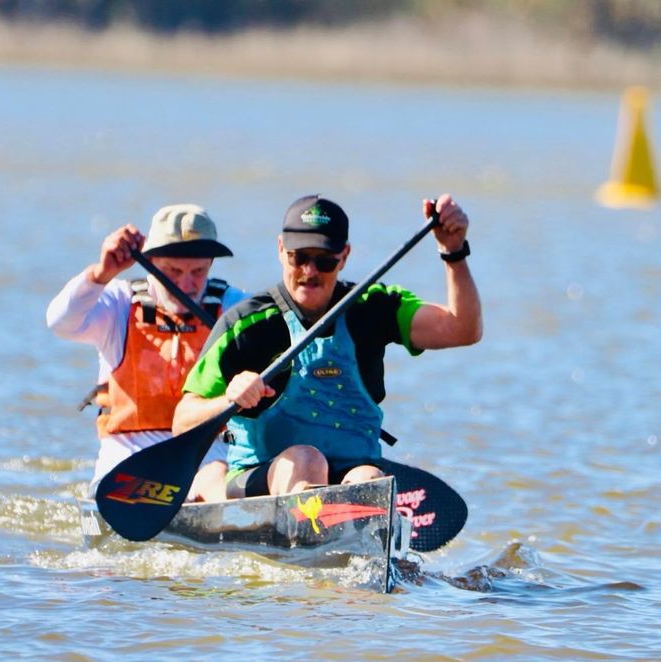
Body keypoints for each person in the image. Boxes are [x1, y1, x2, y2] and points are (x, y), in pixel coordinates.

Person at [174, 193, 481, 499]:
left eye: (324, 261)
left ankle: (341, 527)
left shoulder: (373, 307)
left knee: (369, 478)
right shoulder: (245, 324)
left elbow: (463, 330)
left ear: (344, 256)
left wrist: (453, 251)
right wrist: (229, 400)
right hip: (262, 478)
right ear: (281, 250)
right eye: (300, 258)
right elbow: (181, 422)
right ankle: (212, 485)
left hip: (351, 473)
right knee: (307, 460)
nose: (310, 271)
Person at [47, 204, 245, 502]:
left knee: (217, 474)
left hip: (206, 461)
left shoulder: (234, 308)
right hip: (128, 463)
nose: (186, 284)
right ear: (150, 262)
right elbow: (60, 322)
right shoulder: (119, 304)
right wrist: (101, 273)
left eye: (198, 271)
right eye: (173, 271)